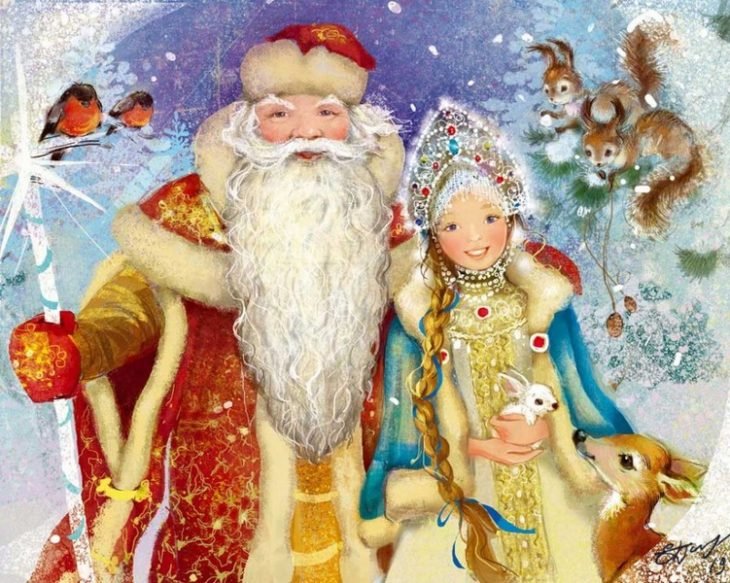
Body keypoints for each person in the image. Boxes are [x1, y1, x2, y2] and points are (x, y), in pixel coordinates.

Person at [8, 23, 410, 583]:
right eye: (280, 114)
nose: (306, 133)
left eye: (326, 113)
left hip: (363, 498)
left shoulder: (381, 225)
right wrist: (80, 346)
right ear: (248, 126)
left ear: (355, 127)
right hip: (223, 496)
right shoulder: (187, 218)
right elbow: (132, 303)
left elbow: (447, 325)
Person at [358, 102, 634, 582]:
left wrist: (551, 432)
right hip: (461, 488)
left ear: (509, 215)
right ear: (433, 234)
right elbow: (405, 428)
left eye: (488, 218)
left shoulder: (542, 301)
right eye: (452, 226)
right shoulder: (416, 317)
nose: (475, 238)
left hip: (551, 477)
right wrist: (480, 449)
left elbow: (578, 392)